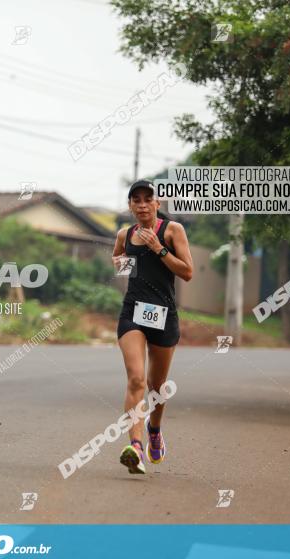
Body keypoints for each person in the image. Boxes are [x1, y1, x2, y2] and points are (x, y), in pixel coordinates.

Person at [112, 180, 193, 474]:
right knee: (136, 380)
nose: (143, 204)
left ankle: (154, 431)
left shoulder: (172, 231)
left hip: (164, 315)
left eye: (148, 199)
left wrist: (159, 249)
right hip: (133, 312)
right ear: (131, 205)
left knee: (156, 388)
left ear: (157, 204)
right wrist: (122, 264)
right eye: (136, 200)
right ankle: (134, 446)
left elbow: (187, 272)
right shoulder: (125, 234)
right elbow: (120, 261)